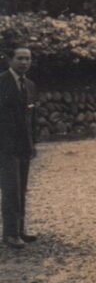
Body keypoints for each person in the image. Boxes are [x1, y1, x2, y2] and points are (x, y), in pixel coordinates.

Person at [1, 47, 37, 249]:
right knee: (10, 190)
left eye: (27, 58)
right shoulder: (2, 83)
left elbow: (32, 119)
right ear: (10, 60)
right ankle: (10, 234)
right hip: (5, 147)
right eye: (20, 58)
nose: (24, 62)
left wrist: (33, 144)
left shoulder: (30, 85)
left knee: (21, 189)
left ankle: (20, 230)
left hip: (24, 146)